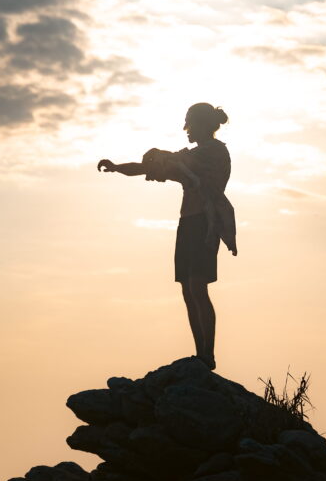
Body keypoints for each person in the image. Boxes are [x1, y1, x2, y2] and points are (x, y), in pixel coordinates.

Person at [97, 103, 236, 370]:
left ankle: (207, 355)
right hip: (187, 223)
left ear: (202, 124)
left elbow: (181, 163)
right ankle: (200, 354)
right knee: (187, 290)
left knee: (198, 286)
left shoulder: (214, 152)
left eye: (189, 124)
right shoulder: (188, 158)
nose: (186, 129)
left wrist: (163, 156)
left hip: (205, 224)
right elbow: (151, 167)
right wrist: (116, 167)